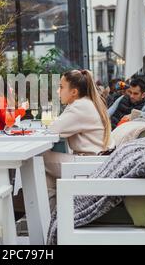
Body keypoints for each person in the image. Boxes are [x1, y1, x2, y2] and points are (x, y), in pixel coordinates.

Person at [43, 69, 112, 210]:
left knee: (38, 158)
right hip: (98, 162)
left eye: (61, 87)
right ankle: (52, 214)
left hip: (91, 165)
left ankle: (49, 214)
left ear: (74, 92)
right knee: (46, 172)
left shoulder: (80, 106)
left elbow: (53, 130)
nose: (58, 91)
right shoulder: (86, 103)